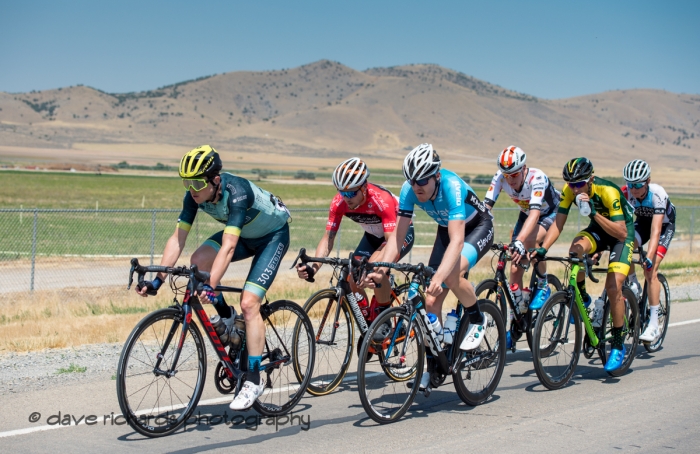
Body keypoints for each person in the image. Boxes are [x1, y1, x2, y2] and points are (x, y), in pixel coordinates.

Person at [135, 145, 291, 410]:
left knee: (250, 303)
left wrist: (211, 284)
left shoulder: (237, 192)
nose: (191, 189)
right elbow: (178, 239)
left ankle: (253, 380)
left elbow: (229, 246)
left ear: (215, 180)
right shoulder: (193, 196)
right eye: (186, 182)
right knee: (197, 262)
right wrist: (158, 281)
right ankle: (228, 319)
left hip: (271, 237)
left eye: (196, 182)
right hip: (244, 236)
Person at [366, 143, 495, 389]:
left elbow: (458, 241)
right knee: (430, 303)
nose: (417, 186)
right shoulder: (409, 190)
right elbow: (397, 239)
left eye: (423, 180)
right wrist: (382, 270)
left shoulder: (452, 186)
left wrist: (440, 277)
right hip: (448, 229)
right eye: (412, 181)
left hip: (476, 227)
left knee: (451, 276)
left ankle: (477, 318)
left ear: (436, 175)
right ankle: (435, 366)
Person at [531, 157, 635, 372]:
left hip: (620, 235)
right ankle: (582, 297)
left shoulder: (608, 192)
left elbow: (621, 232)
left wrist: (594, 212)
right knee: (574, 251)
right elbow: (557, 225)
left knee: (613, 286)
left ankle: (617, 343)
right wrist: (543, 249)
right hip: (598, 229)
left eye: (579, 184)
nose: (575, 189)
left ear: (591, 180)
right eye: (570, 184)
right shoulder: (570, 192)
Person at [297, 157, 414, 339]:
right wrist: (314, 267)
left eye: (350, 193)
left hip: (398, 235)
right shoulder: (339, 202)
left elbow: (391, 243)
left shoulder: (381, 200)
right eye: (341, 192)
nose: (346, 198)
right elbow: (328, 238)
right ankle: (369, 322)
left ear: (363, 187)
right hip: (373, 236)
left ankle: (384, 318)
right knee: (353, 276)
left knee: (374, 268)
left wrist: (379, 269)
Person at [484, 146, 561, 315]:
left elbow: (535, 214)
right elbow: (485, 208)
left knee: (529, 241)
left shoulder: (537, 177)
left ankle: (543, 283)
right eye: (506, 175)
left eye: (514, 175)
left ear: (524, 169)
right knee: (514, 267)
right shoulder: (500, 177)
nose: (510, 180)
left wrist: (519, 241)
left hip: (549, 212)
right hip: (526, 213)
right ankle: (517, 315)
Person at [621, 159, 675, 342]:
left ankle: (653, 324)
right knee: (625, 248)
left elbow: (656, 230)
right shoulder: (627, 193)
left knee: (650, 270)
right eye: (630, 184)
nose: (633, 189)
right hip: (643, 223)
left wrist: (649, 257)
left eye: (637, 184)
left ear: (648, 181)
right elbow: (625, 226)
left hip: (663, 226)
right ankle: (634, 284)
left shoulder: (657, 194)